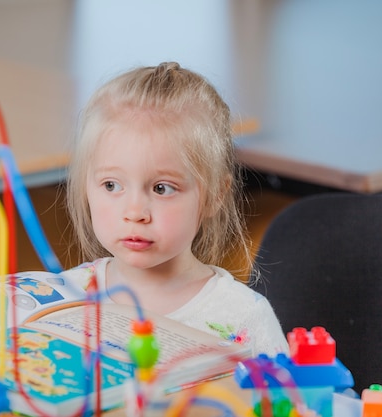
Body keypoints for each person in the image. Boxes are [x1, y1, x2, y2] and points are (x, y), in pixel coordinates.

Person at [62, 62, 288, 356]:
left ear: (215, 195)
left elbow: (283, 400)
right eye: (111, 185)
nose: (135, 212)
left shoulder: (242, 317)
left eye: (161, 188)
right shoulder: (64, 294)